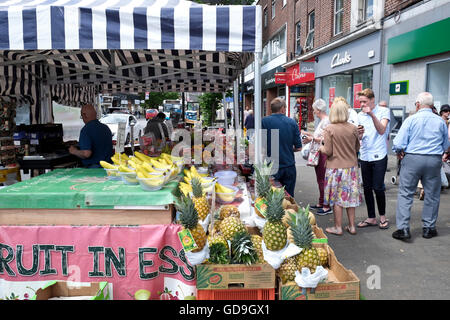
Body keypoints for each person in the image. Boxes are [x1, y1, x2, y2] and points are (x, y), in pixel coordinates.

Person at [391, 92, 450, 241]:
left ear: (418, 104)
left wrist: (399, 152)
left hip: (413, 159)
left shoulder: (411, 120)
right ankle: (429, 228)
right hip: (433, 160)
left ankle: (403, 229)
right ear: (431, 105)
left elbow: (398, 143)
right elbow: (446, 144)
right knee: (432, 194)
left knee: (406, 193)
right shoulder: (440, 121)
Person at [319, 98, 362, 236]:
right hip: (351, 169)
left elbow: (328, 151)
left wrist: (320, 147)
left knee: (337, 199)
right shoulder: (353, 128)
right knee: (350, 198)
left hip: (335, 168)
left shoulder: (329, 129)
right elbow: (357, 148)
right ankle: (352, 226)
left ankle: (338, 227)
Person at [356, 88, 390, 230]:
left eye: (364, 101)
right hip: (365, 155)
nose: (362, 104)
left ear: (372, 100)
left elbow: (382, 130)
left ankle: (382, 216)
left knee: (378, 187)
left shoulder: (383, 111)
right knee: (367, 188)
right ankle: (371, 217)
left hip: (379, 153)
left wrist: (371, 115)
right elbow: (359, 138)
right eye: (360, 102)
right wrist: (359, 134)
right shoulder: (359, 115)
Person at [262, 97, 302, 197]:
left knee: (272, 197)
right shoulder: (292, 123)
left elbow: (260, 146)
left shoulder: (264, 122)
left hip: (271, 166)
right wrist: (288, 148)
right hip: (288, 166)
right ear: (283, 109)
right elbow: (299, 148)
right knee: (288, 198)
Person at [302, 98, 332, 215]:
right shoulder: (324, 121)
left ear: (318, 110)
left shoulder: (326, 121)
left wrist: (311, 138)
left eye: (314, 110)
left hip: (322, 153)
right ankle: (321, 202)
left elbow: (326, 139)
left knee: (322, 179)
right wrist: (309, 134)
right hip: (319, 152)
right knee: (320, 179)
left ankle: (326, 205)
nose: (313, 112)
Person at [69, 104, 113, 168]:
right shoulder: (106, 128)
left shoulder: (86, 130)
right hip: (109, 167)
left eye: (82, 116)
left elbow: (86, 154)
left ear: (84, 115)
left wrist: (74, 151)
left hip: (94, 169)